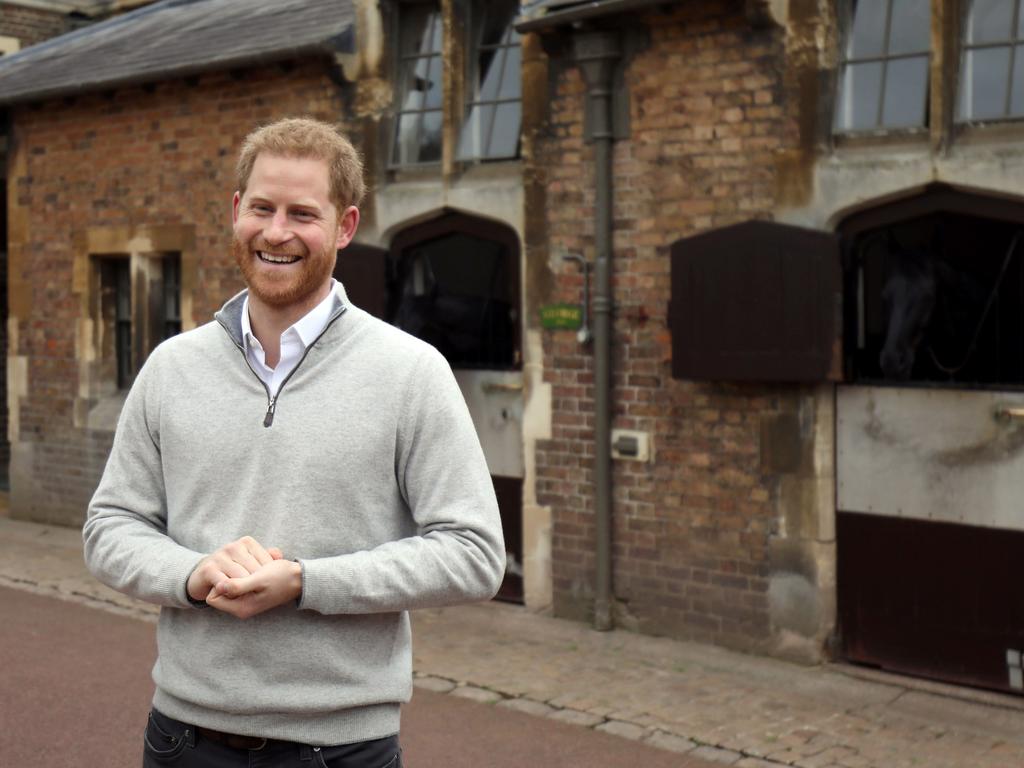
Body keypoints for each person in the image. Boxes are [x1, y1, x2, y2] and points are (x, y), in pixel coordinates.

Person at [83, 117, 505, 768]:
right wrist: (191, 574)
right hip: (182, 739)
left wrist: (309, 582)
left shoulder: (410, 372)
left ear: (344, 226)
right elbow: (110, 527)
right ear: (235, 212)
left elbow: (474, 554)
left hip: (340, 749)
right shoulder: (172, 367)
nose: (277, 233)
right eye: (262, 208)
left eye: (303, 213)